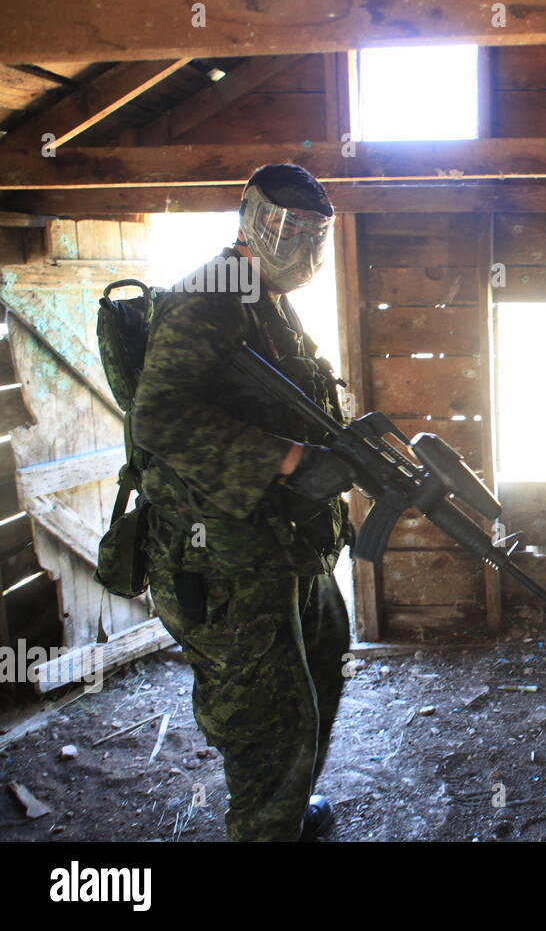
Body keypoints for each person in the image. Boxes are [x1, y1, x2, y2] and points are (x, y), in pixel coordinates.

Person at [132, 163, 356, 841]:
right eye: (291, 229)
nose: (306, 247)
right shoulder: (210, 296)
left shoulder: (265, 299)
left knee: (323, 660)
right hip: (221, 552)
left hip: (276, 539)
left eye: (318, 233)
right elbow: (159, 417)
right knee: (265, 713)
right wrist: (287, 459)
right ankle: (264, 827)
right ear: (253, 222)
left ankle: (285, 812)